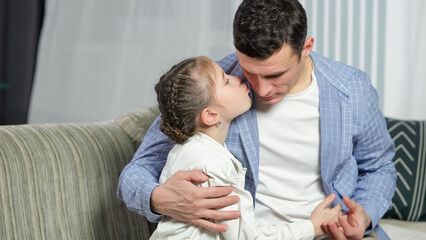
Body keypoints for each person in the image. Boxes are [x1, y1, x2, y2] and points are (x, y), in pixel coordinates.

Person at [117, 0, 396, 239]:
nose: (261, 90)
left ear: (306, 47)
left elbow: (379, 167)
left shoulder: (353, 88)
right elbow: (136, 172)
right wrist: (158, 198)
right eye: (250, 72)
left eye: (275, 75)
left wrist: (365, 215)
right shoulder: (212, 92)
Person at [149, 56, 342, 239]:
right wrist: (311, 227)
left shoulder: (187, 152)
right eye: (226, 81)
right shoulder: (210, 165)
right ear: (211, 115)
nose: (237, 77)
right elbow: (247, 237)